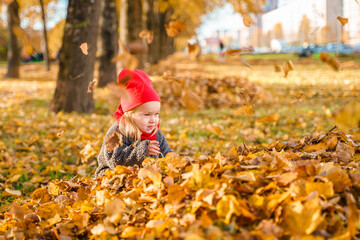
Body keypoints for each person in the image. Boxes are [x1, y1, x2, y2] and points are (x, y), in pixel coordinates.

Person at [95, 69, 175, 177]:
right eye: (147, 114)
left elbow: (166, 152)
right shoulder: (118, 132)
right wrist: (143, 150)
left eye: (156, 114)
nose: (153, 120)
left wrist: (172, 158)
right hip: (112, 173)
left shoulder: (155, 133)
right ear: (130, 114)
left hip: (139, 175)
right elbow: (114, 160)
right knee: (117, 177)